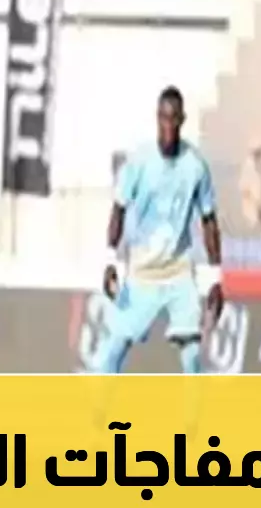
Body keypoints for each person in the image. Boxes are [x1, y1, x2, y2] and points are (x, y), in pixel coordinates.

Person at [91, 86, 225, 374]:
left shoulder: (195, 166)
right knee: (114, 349)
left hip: (179, 271)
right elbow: (118, 210)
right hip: (143, 271)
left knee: (191, 355)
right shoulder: (139, 162)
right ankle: (98, 403)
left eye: (173, 119)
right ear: (157, 118)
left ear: (182, 120)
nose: (168, 126)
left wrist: (215, 278)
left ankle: (193, 407)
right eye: (163, 118)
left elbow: (209, 221)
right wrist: (110, 262)